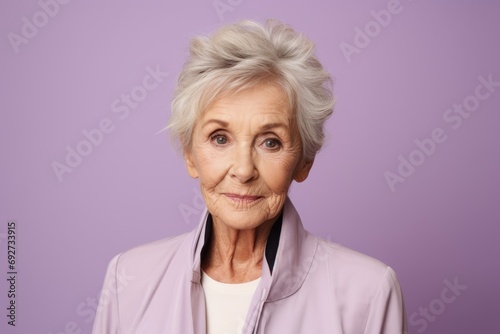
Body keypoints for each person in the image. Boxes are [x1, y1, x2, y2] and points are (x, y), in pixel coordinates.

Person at [92, 19, 407, 334]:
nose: (243, 170)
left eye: (271, 142)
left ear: (304, 161)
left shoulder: (368, 293)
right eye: (220, 138)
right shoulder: (128, 279)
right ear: (190, 155)